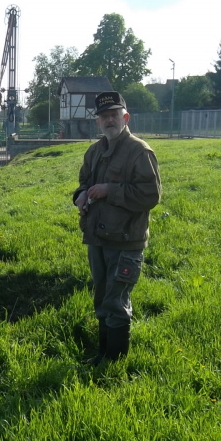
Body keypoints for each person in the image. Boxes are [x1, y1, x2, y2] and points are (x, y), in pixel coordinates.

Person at [73, 91, 161, 364]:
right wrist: (81, 195)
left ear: (126, 117)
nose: (109, 120)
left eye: (114, 115)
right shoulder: (94, 151)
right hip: (97, 237)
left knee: (116, 301)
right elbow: (84, 182)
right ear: (97, 122)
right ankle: (103, 355)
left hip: (125, 241)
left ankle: (114, 363)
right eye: (104, 116)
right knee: (102, 298)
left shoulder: (139, 151)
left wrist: (110, 190)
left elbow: (150, 196)